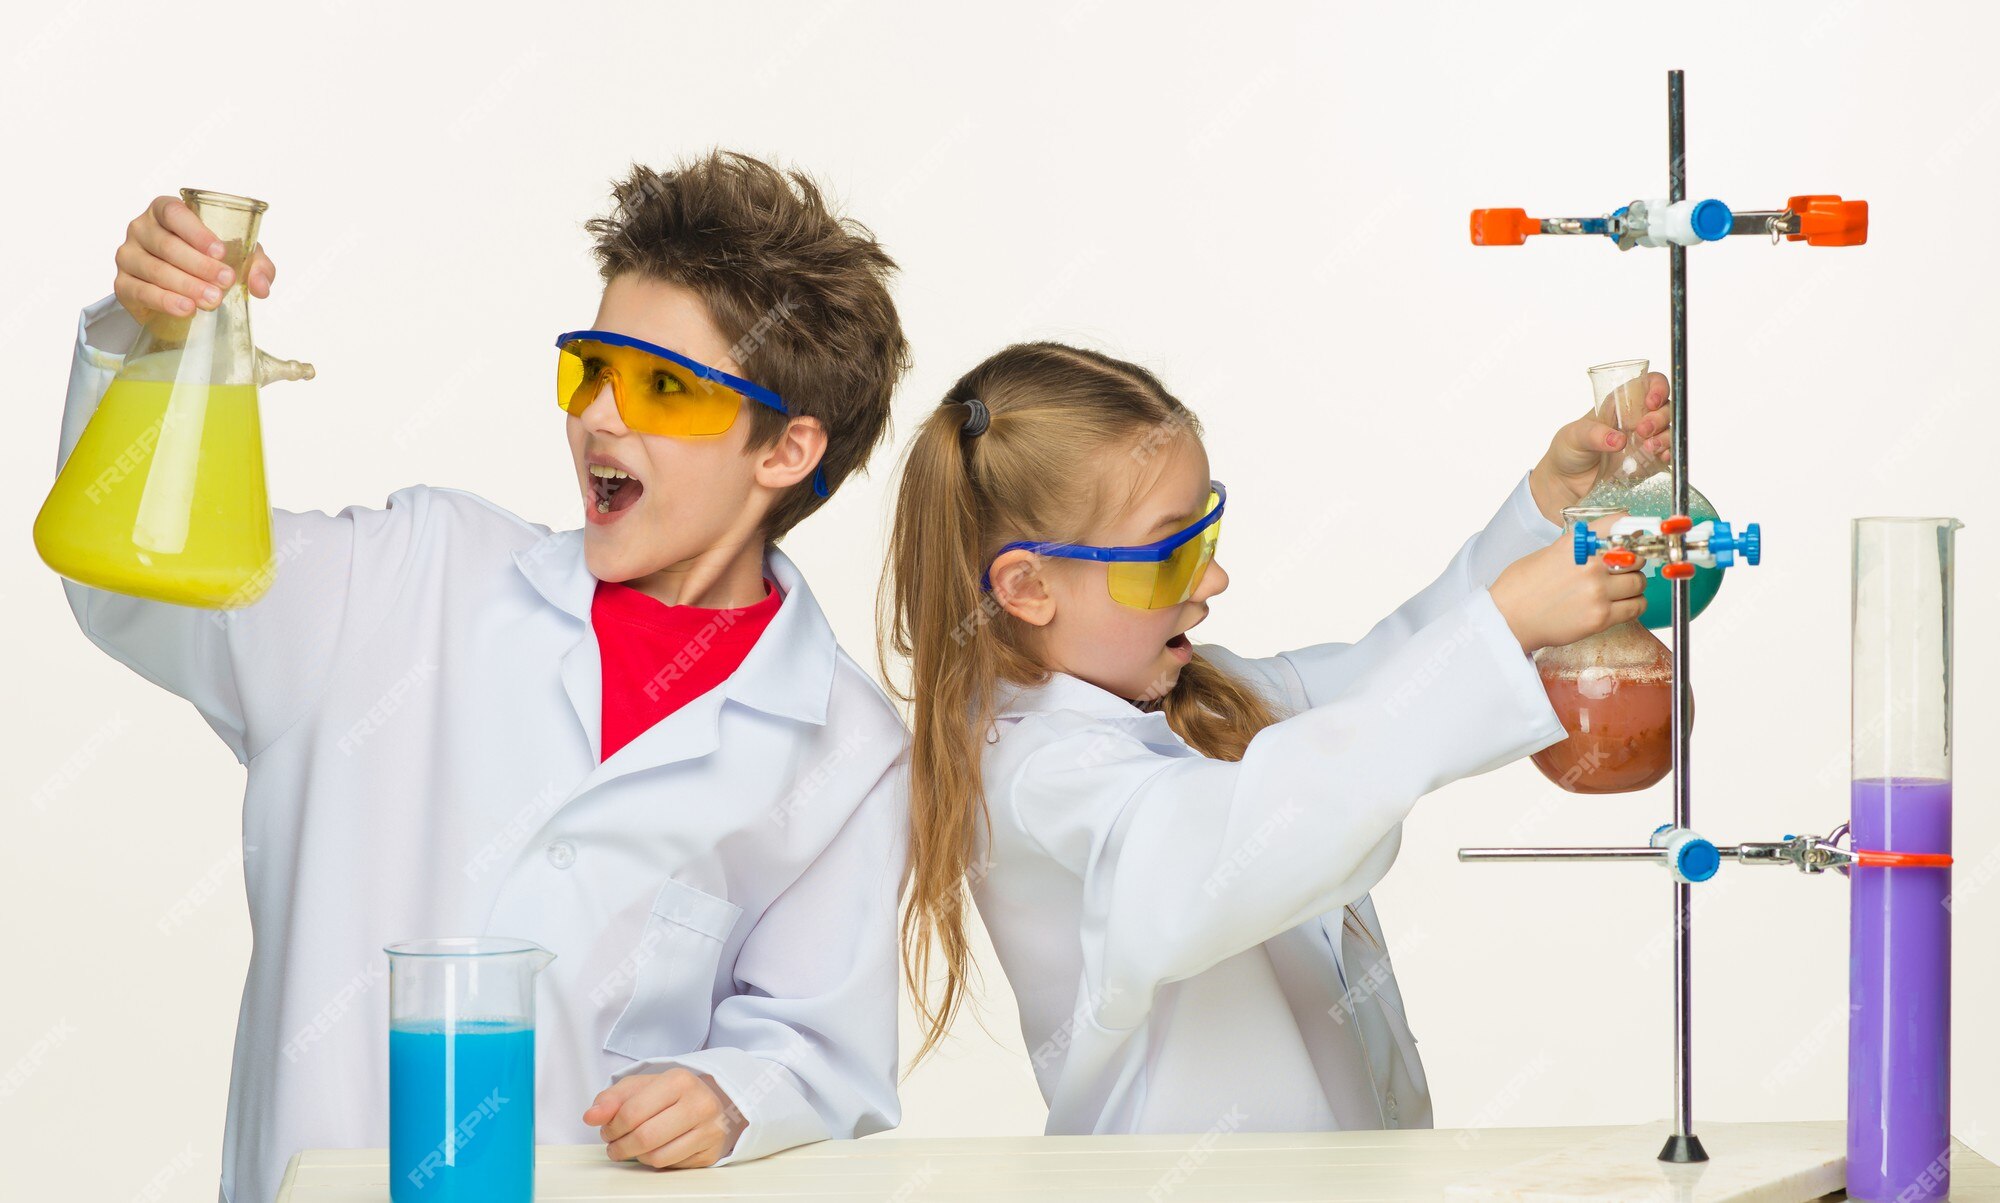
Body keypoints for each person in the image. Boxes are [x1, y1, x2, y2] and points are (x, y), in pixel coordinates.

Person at [53, 153, 911, 1203]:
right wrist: (161, 347)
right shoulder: (407, 577)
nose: (599, 416)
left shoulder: (843, 745)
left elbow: (819, 1048)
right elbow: (134, 583)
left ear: (785, 450)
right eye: (590, 369)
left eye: (662, 388)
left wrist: (731, 1094)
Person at [882, 341, 1668, 1135]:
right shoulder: (1035, 773)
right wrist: (1502, 623)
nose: (1213, 579)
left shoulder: (1201, 698)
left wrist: (1544, 509)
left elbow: (1395, 675)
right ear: (1027, 587)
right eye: (1168, 554)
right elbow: (1258, 829)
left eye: (1207, 532)